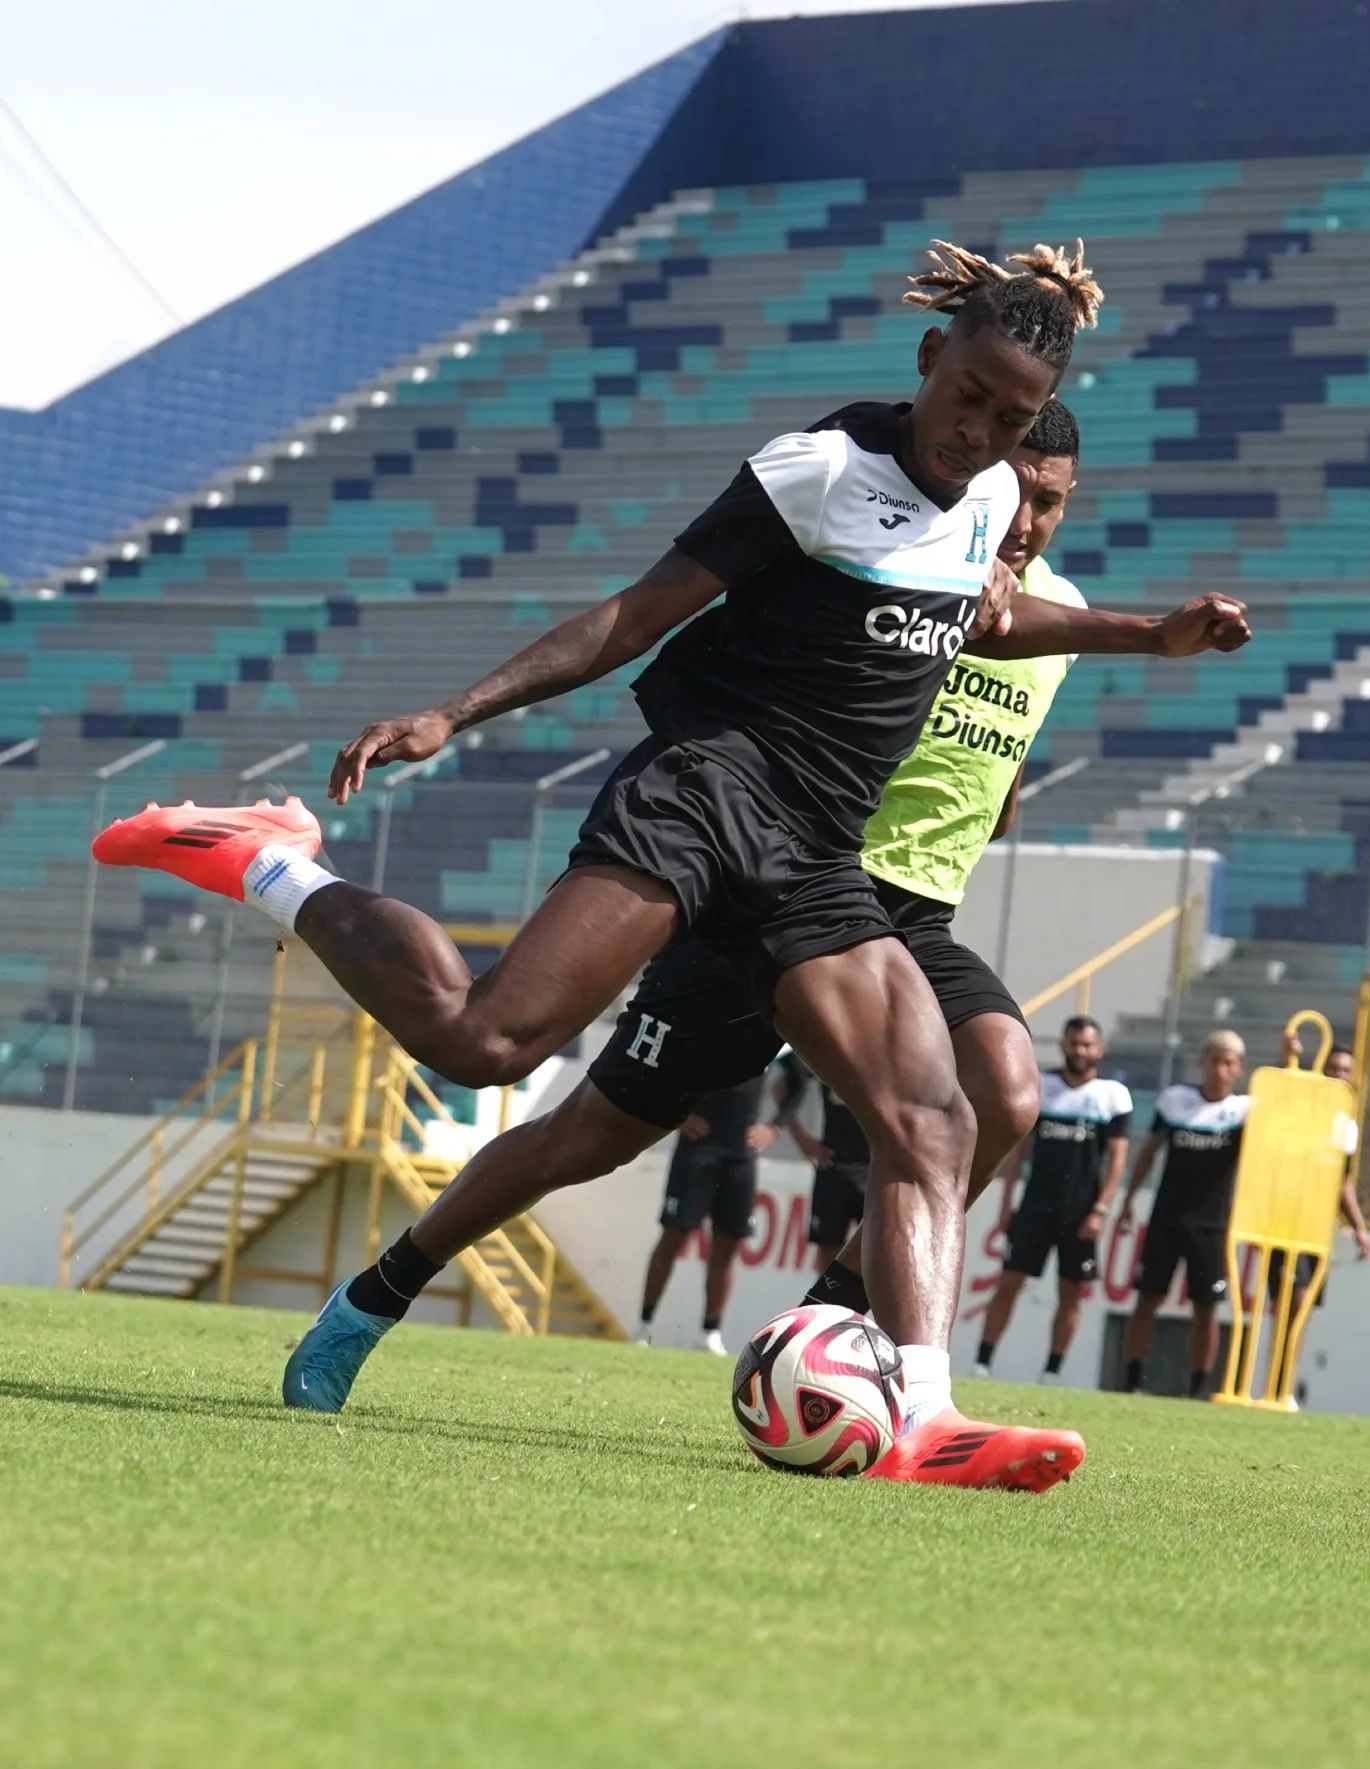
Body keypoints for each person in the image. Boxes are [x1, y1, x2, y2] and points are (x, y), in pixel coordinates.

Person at [98, 239, 1130, 1490]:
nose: (979, 433)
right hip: (704, 797)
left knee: (936, 1115)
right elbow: (632, 617)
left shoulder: (988, 512)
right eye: (969, 396)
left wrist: (1156, 636)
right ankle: (275, 866)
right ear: (930, 359)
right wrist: (452, 713)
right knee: (486, 1048)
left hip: (815, 856)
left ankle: (921, 1418)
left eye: (1008, 422)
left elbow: (996, 614)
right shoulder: (821, 467)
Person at [973, 1015, 1132, 1382]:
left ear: (1100, 1049)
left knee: (1071, 1292)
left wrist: (1100, 1210)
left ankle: (1052, 1371)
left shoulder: (1112, 1096)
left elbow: (1117, 1162)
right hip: (1035, 1206)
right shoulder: (1041, 1085)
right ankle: (982, 1362)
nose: (1081, 1050)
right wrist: (1007, 1202)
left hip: (1081, 1212)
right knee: (1009, 1283)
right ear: (1063, 1045)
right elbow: (1018, 1152)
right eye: (1075, 1043)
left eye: (1088, 1044)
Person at [1116, 1030, 1251, 1398]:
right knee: (1148, 1299)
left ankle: (1198, 1387)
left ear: (1239, 1068)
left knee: (1206, 1307)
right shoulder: (1176, 1100)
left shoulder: (1244, 1112)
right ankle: (1131, 1379)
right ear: (1203, 1061)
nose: (1220, 1069)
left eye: (1229, 1063)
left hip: (1212, 1224)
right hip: (1167, 1217)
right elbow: (1149, 1152)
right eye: (1215, 1060)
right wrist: (1129, 1200)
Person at [636, 1052, 788, 1353]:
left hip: (740, 1157)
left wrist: (773, 1127)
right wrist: (678, 1114)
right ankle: (644, 1324)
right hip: (698, 1151)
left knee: (727, 1245)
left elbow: (797, 1080)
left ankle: (710, 1331)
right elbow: (662, 1067)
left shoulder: (771, 1037)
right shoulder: (711, 1024)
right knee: (673, 1236)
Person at [1264, 1035, 1370, 1399]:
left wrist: (1359, 1228)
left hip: (1317, 1226)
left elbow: (1343, 1183)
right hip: (1287, 1215)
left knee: (1303, 1305)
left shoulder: (1347, 1127)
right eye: (1333, 1069)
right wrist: (1287, 1059)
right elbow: (1279, 1097)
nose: (1339, 1076)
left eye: (1345, 1071)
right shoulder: (1304, 1107)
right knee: (1287, 1302)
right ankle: (1273, 1382)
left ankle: (1283, 1385)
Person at [778, 1056, 872, 1269]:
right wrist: (802, 1140)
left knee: (873, 1248)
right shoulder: (832, 1054)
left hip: (872, 1168)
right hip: (833, 1166)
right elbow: (783, 1083)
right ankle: (827, 1299)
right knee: (828, 1247)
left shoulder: (881, 1056)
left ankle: (865, 1302)